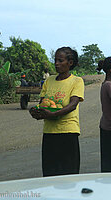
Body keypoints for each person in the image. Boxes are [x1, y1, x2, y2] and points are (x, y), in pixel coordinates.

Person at [29, 47, 84, 177]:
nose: (56, 63)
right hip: (49, 133)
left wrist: (53, 114)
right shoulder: (49, 80)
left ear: (70, 63)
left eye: (60, 60)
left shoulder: (77, 81)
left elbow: (73, 105)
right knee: (50, 173)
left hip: (68, 132)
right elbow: (43, 103)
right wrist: (37, 112)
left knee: (69, 174)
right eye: (55, 60)